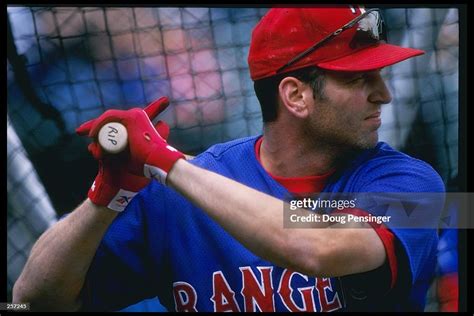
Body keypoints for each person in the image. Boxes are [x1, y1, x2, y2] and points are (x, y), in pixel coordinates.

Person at [13, 6, 445, 312]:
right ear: (295, 96)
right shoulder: (182, 192)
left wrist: (168, 163)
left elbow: (312, 245)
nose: (384, 94)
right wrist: (106, 195)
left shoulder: (417, 187)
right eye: (359, 79)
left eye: (381, 75)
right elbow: (30, 302)